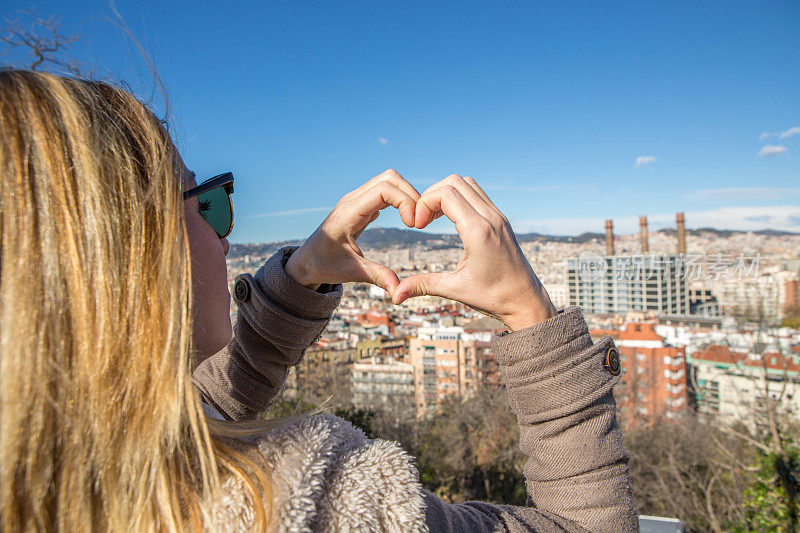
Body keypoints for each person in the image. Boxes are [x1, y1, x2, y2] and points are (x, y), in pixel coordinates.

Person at [0, 68, 637, 532]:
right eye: (209, 202)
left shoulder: (58, 470)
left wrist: (301, 275)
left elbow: (207, 412)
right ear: (127, 248)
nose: (227, 234)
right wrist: (529, 314)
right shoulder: (314, 498)